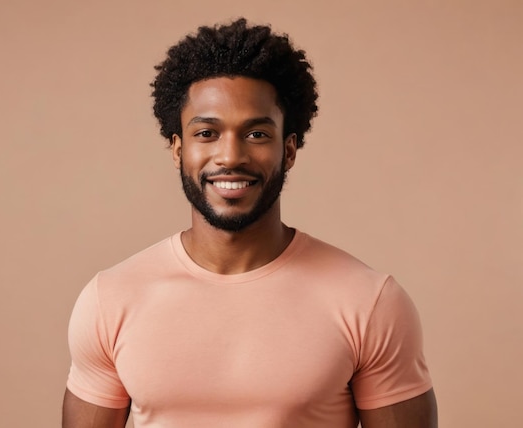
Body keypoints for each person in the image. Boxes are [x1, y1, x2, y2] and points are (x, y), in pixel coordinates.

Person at [62, 18, 437, 428]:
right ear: (177, 148)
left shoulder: (369, 302)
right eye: (207, 132)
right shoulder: (111, 299)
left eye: (256, 134)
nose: (230, 156)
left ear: (288, 150)